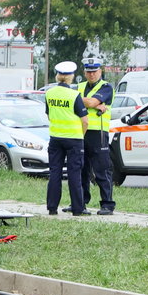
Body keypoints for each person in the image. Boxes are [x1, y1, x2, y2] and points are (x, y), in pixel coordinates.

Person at [45, 61, 90, 216]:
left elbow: (49, 115)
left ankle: (52, 208)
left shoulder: (49, 93)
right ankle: (77, 209)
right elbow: (85, 120)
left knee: (55, 173)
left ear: (58, 76)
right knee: (74, 174)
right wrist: (81, 135)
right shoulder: (74, 95)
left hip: (55, 138)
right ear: (71, 76)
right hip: (74, 139)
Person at [72, 57, 115, 215]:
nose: (91, 74)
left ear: (100, 71)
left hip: (99, 133)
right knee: (82, 169)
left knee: (102, 170)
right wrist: (92, 102)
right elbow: (77, 103)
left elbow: (87, 104)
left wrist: (82, 101)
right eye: (89, 71)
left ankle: (107, 204)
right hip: (81, 132)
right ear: (84, 72)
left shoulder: (106, 87)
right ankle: (80, 203)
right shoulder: (80, 86)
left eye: (94, 71)